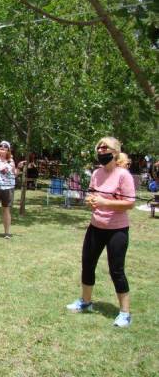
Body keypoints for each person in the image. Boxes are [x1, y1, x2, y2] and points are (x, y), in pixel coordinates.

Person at [66, 137, 135, 328]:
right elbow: (91, 193)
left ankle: (125, 313)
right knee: (87, 264)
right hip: (96, 226)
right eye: (99, 149)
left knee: (116, 270)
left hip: (117, 230)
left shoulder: (123, 175)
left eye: (105, 149)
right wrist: (90, 200)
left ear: (115, 152)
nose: (101, 152)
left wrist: (105, 202)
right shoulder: (97, 173)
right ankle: (85, 302)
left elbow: (130, 203)